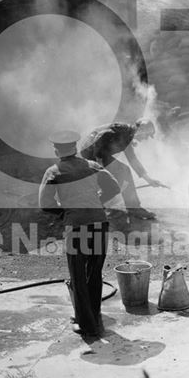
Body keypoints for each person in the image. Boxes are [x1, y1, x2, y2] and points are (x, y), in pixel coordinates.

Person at [39, 130, 121, 339]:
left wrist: (64, 212)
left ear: (57, 150)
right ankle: (94, 317)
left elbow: (44, 203)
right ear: (75, 148)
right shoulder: (93, 166)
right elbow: (114, 187)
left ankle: (88, 327)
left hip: (76, 227)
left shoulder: (54, 171)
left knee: (78, 276)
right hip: (99, 224)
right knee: (94, 273)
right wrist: (97, 202)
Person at [78, 120, 164, 219]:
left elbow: (132, 159)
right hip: (90, 152)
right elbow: (100, 137)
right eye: (147, 135)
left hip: (100, 153)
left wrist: (149, 180)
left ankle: (131, 208)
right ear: (141, 129)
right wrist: (99, 165)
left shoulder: (128, 136)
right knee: (115, 182)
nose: (145, 138)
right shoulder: (122, 130)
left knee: (122, 174)